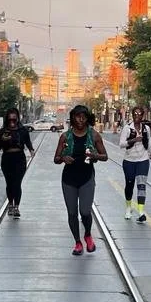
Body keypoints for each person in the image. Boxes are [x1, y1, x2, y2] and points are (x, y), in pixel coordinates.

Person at [54, 105, 108, 255]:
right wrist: (63, 158)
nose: (80, 119)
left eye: (83, 116)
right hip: (69, 179)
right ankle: (78, 242)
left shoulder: (94, 135)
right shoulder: (65, 136)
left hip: (86, 178)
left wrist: (94, 156)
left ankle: (88, 235)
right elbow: (56, 159)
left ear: (87, 118)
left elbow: (105, 156)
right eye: (77, 116)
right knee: (72, 213)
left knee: (85, 211)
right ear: (72, 118)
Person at [0, 107, 35, 218]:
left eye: (14, 119)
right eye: (10, 120)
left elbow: (28, 142)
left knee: (17, 183)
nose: (12, 122)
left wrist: (31, 150)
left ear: (17, 118)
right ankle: (10, 205)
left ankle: (16, 206)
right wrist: (3, 140)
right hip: (7, 158)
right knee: (9, 183)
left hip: (19, 159)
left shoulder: (23, 130)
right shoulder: (3, 131)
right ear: (7, 120)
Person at [119, 105, 151, 223]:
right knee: (129, 185)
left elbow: (149, 141)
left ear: (142, 116)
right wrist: (133, 140)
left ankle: (141, 212)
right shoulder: (127, 128)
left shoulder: (146, 128)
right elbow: (121, 144)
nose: (137, 116)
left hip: (143, 160)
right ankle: (128, 207)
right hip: (129, 161)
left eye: (139, 114)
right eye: (135, 114)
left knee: (141, 185)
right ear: (132, 115)